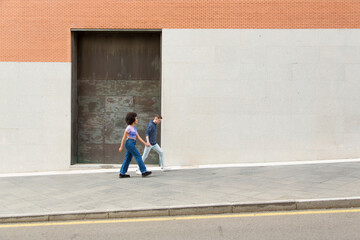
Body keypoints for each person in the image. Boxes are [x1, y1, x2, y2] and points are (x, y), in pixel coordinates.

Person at [118, 112, 152, 178]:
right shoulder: (128, 128)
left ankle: (122, 173)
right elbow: (124, 138)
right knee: (138, 156)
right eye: (136, 118)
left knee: (128, 158)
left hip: (132, 143)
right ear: (132, 119)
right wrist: (121, 146)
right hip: (129, 143)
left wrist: (146, 143)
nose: (137, 119)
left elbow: (138, 137)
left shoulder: (134, 128)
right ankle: (144, 171)